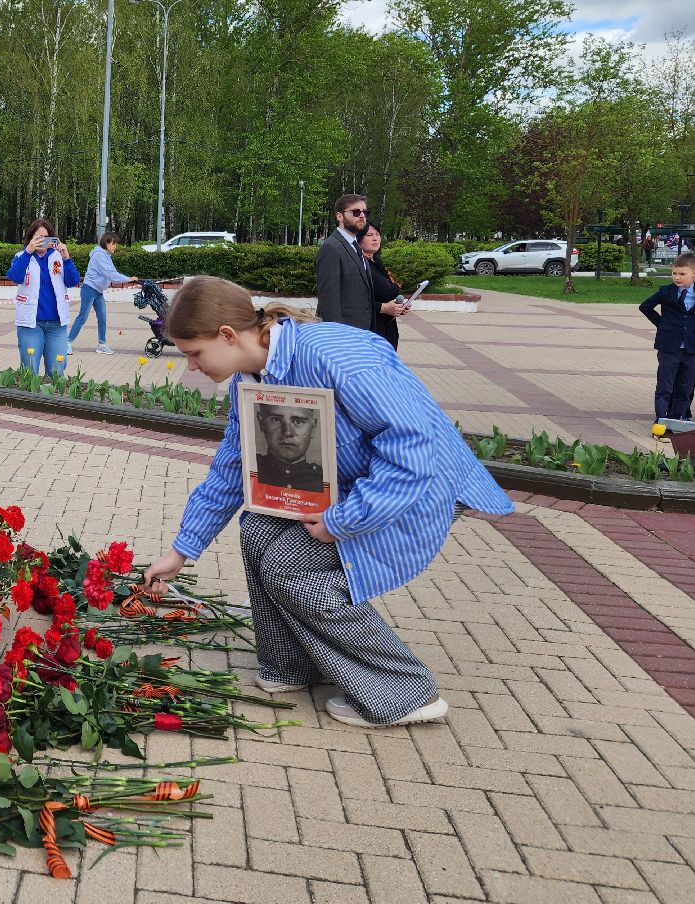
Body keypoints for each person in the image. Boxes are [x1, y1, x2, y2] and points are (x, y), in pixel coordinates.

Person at [142, 277, 513, 728]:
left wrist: (343, 520)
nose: (192, 366)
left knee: (290, 568)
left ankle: (404, 692)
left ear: (227, 335)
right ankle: (293, 663)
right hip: (357, 488)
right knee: (257, 528)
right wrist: (181, 551)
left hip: (416, 487)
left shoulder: (333, 356)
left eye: (195, 353)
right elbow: (233, 467)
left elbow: (414, 449)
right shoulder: (249, 378)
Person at [638, 253, 695, 422]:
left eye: (682, 274)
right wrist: (662, 324)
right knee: (665, 386)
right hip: (669, 346)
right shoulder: (666, 291)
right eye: (674, 273)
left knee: (685, 387)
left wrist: (693, 324)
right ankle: (661, 420)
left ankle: (677, 420)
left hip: (692, 347)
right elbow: (645, 307)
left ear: (694, 273)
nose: (677, 277)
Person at [7, 219, 80, 376]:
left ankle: (52, 393)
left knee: (57, 371)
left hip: (56, 325)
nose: (42, 241)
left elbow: (72, 281)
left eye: (46, 237)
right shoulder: (21, 256)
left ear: (52, 239)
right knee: (29, 370)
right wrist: (28, 252)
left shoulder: (58, 257)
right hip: (30, 324)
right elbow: (15, 277)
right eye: (38, 237)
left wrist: (67, 259)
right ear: (30, 238)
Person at [68, 232, 137, 355]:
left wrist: (125, 279)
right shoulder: (99, 256)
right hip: (89, 289)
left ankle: (102, 345)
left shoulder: (106, 255)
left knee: (102, 318)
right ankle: (67, 342)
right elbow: (110, 274)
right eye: (113, 244)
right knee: (83, 317)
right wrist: (127, 279)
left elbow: (113, 272)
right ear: (106, 243)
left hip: (98, 291)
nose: (115, 246)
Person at [314, 194, 374, 329]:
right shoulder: (331, 248)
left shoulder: (355, 245)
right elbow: (329, 300)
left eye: (365, 212)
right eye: (356, 212)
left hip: (361, 329)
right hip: (344, 333)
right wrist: (338, 335)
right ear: (339, 216)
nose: (362, 216)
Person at [358, 221, 410, 350]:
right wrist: (384, 308)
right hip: (370, 332)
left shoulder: (376, 263)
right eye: (369, 235)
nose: (375, 238)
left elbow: (389, 292)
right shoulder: (359, 265)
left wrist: (398, 306)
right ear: (358, 238)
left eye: (377, 234)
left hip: (387, 329)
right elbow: (354, 301)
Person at [254, 404, 324, 491]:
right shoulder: (250, 468)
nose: (287, 432)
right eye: (276, 420)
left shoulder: (322, 479)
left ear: (313, 428)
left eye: (298, 422)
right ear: (261, 423)